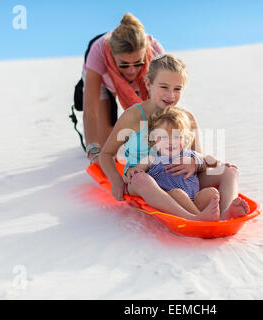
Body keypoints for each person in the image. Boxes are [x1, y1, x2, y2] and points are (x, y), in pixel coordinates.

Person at [99, 54, 250, 221]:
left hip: (182, 179)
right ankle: (192, 218)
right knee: (143, 180)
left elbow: (198, 155)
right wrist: (116, 181)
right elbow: (106, 154)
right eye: (164, 87)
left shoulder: (186, 118)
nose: (171, 95)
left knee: (229, 171)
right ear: (149, 84)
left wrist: (194, 163)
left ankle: (225, 213)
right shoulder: (133, 117)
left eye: (177, 89)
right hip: (145, 181)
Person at [128, 106, 249, 220]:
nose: (170, 142)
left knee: (213, 192)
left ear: (183, 139)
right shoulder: (152, 158)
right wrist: (134, 170)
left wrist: (220, 164)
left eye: (176, 137)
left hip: (195, 198)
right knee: (178, 193)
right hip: (172, 199)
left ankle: (225, 213)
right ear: (153, 141)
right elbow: (139, 169)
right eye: (164, 138)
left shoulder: (189, 154)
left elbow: (207, 159)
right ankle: (198, 217)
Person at [82, 13, 164, 163]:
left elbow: (166, 102)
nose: (131, 70)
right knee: (106, 145)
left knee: (152, 130)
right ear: (113, 56)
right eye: (124, 64)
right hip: (104, 82)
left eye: (137, 63)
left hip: (143, 82)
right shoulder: (98, 53)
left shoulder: (156, 52)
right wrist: (93, 150)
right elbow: (90, 109)